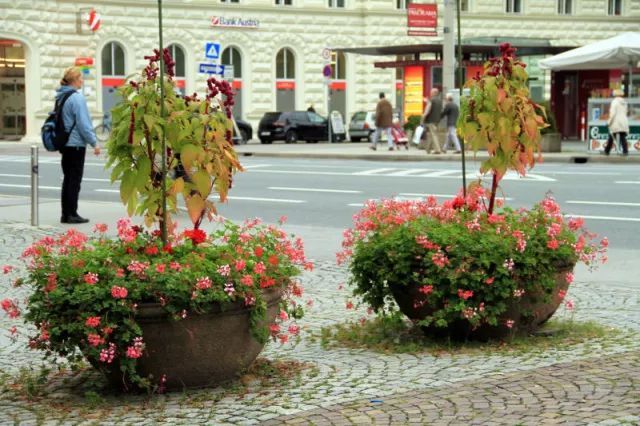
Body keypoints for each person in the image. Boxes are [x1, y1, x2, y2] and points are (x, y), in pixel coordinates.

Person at [56, 66, 100, 224]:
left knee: (67, 179)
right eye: (80, 78)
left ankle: (65, 214)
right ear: (74, 80)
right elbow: (83, 123)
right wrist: (94, 142)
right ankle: (72, 214)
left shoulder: (61, 96)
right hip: (75, 144)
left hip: (65, 144)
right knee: (74, 180)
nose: (82, 80)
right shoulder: (77, 98)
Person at [604, 89, 629, 156]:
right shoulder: (624, 102)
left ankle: (607, 151)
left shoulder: (614, 102)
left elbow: (612, 114)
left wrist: (608, 122)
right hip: (623, 121)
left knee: (611, 136)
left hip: (616, 122)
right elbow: (626, 112)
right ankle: (625, 151)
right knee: (622, 136)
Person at [420, 88, 442, 154]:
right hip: (437, 120)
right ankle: (428, 149)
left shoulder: (431, 100)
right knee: (431, 134)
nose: (430, 93)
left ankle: (437, 150)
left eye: (431, 92)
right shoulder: (440, 101)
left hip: (431, 120)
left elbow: (427, 110)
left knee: (433, 134)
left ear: (434, 93)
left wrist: (423, 118)